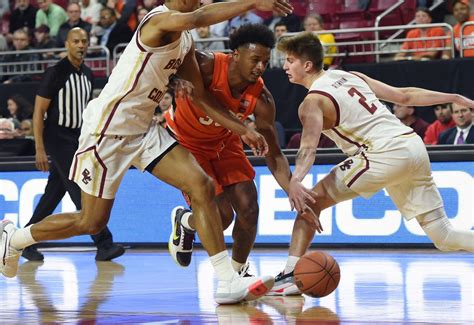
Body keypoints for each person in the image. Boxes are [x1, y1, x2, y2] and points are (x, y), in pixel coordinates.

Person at [0, 0, 293, 305]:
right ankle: (16, 238)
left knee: (201, 184)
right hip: (108, 130)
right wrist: (254, 2)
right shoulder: (159, 22)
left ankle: (227, 281)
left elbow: (202, 97)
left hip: (144, 130)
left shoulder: (186, 41)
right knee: (91, 222)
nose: (202, 1)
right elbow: (200, 16)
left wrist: (240, 128)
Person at [268, 32, 474, 296]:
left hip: (383, 153)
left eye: (290, 60)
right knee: (443, 236)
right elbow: (405, 96)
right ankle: (290, 274)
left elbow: (308, 148)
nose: (285, 66)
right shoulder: (352, 76)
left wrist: (295, 181)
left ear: (307, 65)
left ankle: (289, 274)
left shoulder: (312, 101)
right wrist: (453, 96)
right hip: (412, 145)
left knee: (310, 201)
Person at [165, 24, 308, 275]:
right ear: (235, 55)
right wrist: (175, 81)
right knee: (221, 217)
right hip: (188, 144)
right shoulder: (206, 65)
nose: (260, 67)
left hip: (224, 142)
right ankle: (185, 221)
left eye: (265, 61)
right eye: (255, 60)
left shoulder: (262, 98)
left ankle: (238, 271)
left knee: (249, 208)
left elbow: (274, 152)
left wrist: (291, 187)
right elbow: (166, 66)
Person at [21, 27, 125, 262]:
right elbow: (38, 112)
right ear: (67, 44)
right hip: (57, 137)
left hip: (78, 138)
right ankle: (104, 243)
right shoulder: (55, 73)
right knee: (79, 187)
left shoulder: (88, 74)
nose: (81, 45)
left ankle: (24, 240)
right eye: (76, 41)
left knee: (53, 194)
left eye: (84, 41)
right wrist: (39, 147)